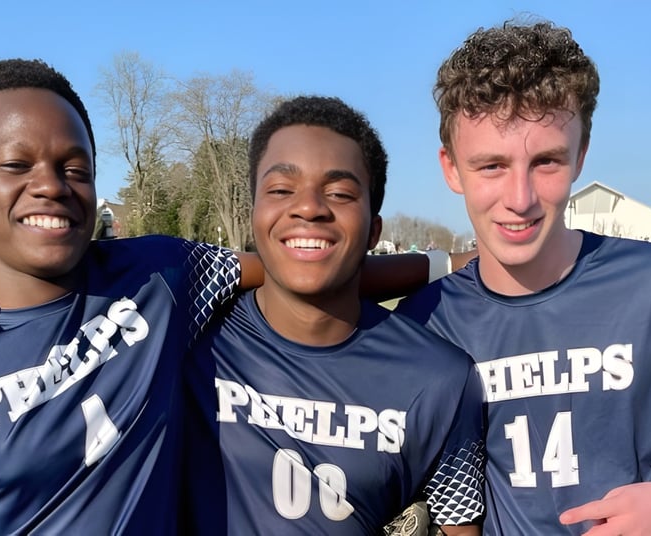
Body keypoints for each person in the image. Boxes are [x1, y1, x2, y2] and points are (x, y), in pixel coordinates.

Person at [0, 58, 252, 533]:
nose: (51, 186)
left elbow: (307, 271)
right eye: (17, 164)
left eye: (75, 168)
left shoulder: (160, 277)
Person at [396, 19, 651, 534]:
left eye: (546, 161)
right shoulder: (425, 322)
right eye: (491, 166)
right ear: (450, 168)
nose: (520, 198)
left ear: (581, 154)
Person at [182, 95, 485, 534]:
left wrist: (456, 262)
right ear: (253, 214)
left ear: (373, 230)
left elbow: (459, 527)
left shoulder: (441, 379)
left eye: (340, 193)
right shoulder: (185, 331)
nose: (309, 208)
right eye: (281, 190)